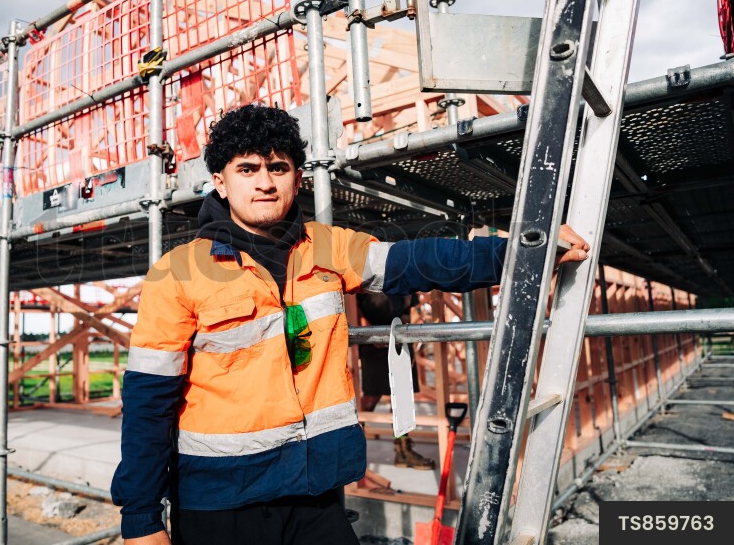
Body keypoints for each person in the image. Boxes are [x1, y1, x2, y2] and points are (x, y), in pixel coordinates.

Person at [111, 104, 590, 545]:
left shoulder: (328, 248)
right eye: (247, 169)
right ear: (220, 181)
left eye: (278, 168)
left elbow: (421, 260)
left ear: (297, 178)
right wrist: (141, 517)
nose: (264, 182)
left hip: (316, 491)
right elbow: (149, 402)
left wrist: (527, 250)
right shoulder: (177, 272)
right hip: (221, 501)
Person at [355, 291, 435, 470]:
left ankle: (403, 450)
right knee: (371, 397)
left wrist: (415, 324)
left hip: (401, 338)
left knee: (401, 397)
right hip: (374, 340)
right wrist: (366, 328)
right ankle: (352, 447)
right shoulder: (366, 272)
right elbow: (353, 304)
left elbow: (412, 307)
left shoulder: (403, 274)